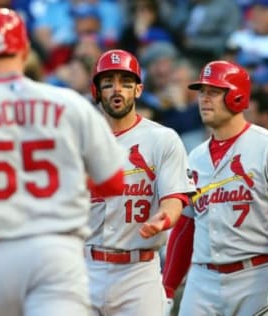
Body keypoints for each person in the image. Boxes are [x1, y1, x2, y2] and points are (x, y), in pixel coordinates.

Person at [0, 8, 126, 316]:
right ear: (24, 50)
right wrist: (69, 180)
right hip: (56, 248)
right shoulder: (70, 103)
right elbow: (114, 182)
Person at [162, 60, 268, 315]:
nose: (204, 99)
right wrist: (167, 287)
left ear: (237, 96)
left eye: (214, 92)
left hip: (257, 274)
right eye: (202, 92)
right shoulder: (195, 157)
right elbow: (186, 227)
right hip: (203, 278)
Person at [86, 49, 196, 316]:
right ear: (96, 90)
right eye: (108, 83)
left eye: (126, 83)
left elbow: (175, 198)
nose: (117, 89)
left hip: (138, 272)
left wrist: (164, 218)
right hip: (84, 267)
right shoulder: (79, 139)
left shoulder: (162, 139)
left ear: (138, 90)